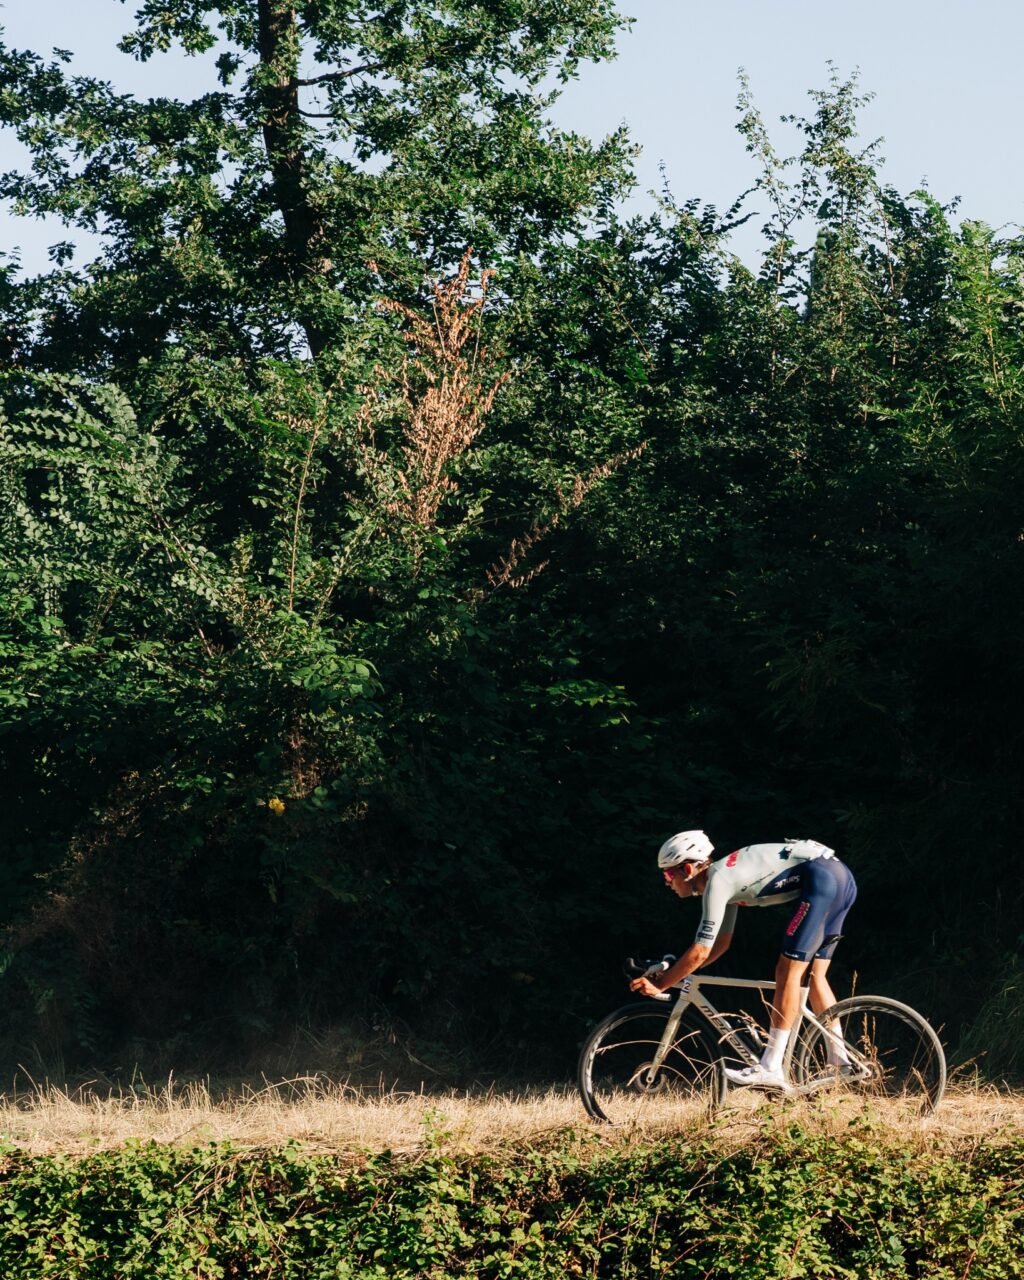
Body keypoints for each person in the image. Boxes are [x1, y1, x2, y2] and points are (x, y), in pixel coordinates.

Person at [629, 829, 857, 1091]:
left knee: (787, 972)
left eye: (669, 874)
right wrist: (676, 973)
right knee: (815, 976)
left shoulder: (718, 882)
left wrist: (663, 984)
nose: (667, 882)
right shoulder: (723, 881)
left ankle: (771, 1067)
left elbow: (700, 951)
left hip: (823, 878)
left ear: (689, 869)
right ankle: (840, 1062)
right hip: (839, 877)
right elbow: (720, 945)